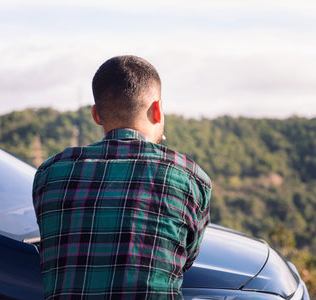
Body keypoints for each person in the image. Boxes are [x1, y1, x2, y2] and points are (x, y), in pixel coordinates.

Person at [32, 55, 212, 299]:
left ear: (96, 115)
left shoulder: (49, 174)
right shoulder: (190, 178)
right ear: (157, 110)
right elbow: (184, 261)